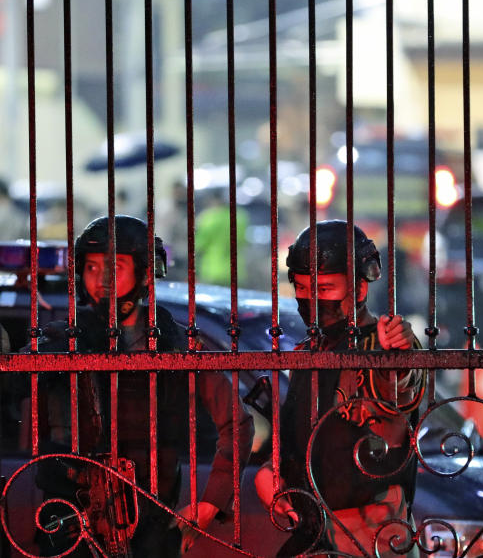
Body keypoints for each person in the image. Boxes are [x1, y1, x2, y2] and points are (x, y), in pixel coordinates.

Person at [29, 215, 254, 557]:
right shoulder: (58, 344)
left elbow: (237, 425)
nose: (101, 279)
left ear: (146, 274)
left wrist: (210, 503)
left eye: (115, 267)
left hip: (151, 524)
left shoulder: (177, 345)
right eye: (91, 267)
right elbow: (14, 388)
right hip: (69, 524)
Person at [254, 220, 424, 557]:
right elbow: (298, 435)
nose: (311, 300)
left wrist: (398, 355)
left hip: (371, 537)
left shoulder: (380, 343)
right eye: (302, 288)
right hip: (314, 531)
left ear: (359, 290)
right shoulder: (308, 352)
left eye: (326, 288)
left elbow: (399, 391)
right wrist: (271, 474)